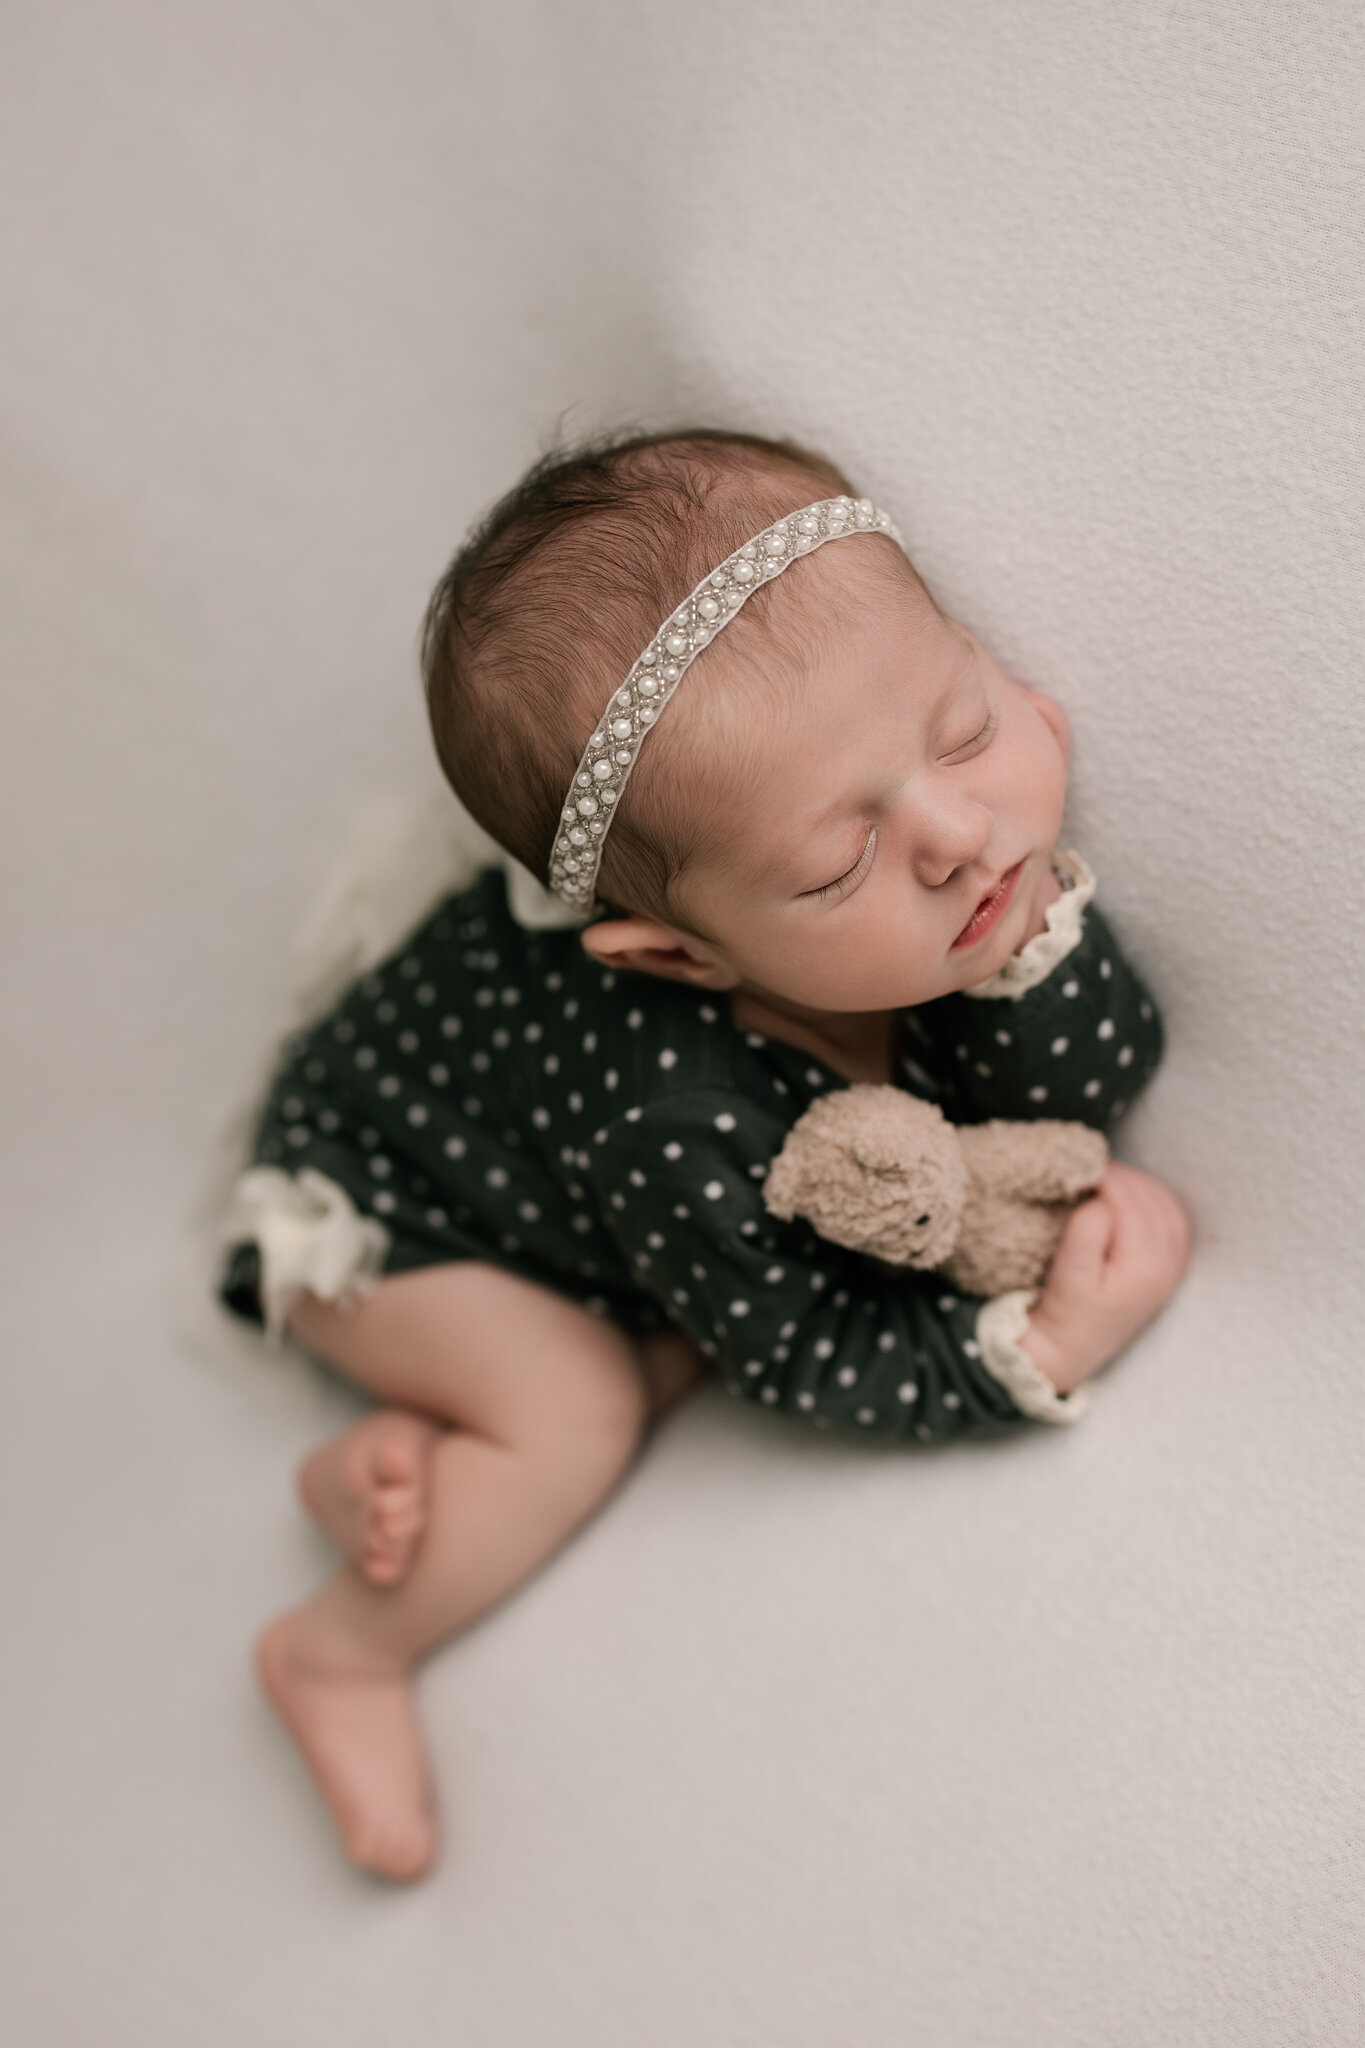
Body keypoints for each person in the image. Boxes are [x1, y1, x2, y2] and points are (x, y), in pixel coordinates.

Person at [221, 427, 1191, 1881]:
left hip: (533, 1143)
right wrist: (1032, 1346)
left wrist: (1021, 918)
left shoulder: (910, 894)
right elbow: (794, 1353)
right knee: (584, 1405)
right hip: (390, 1196)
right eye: (833, 862)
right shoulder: (673, 1119)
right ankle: (341, 1651)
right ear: (678, 953)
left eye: (963, 725)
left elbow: (1091, 1078)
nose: (953, 833)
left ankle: (394, 1465)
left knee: (666, 1330)